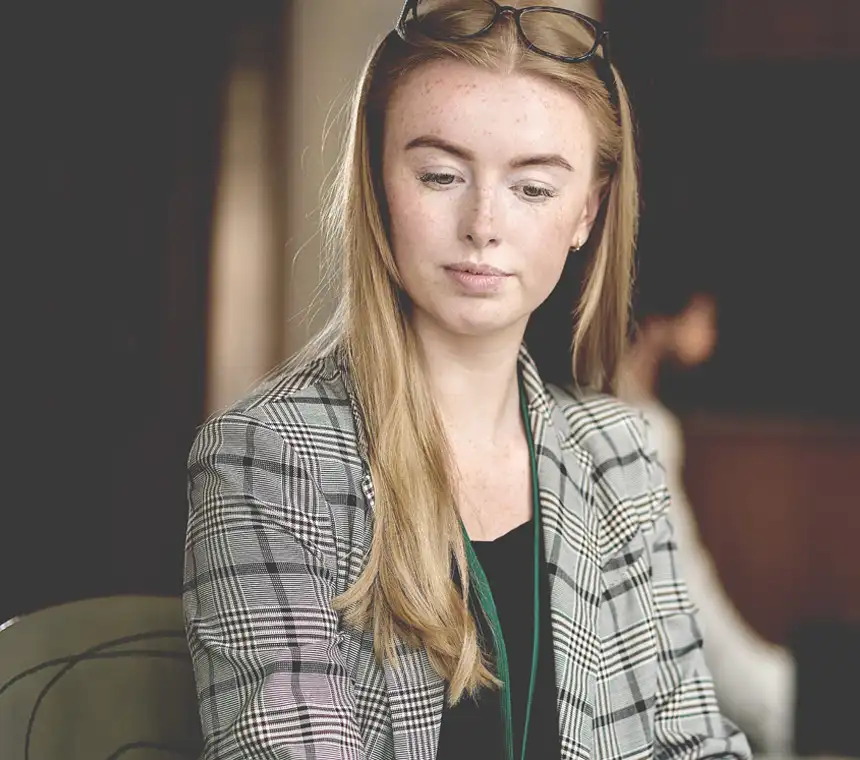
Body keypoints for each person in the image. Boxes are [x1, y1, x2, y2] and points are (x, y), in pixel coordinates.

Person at [182, 3, 750, 759]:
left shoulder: (623, 455)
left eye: (534, 189)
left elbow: (695, 744)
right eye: (442, 175)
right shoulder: (269, 459)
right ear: (379, 179)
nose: (483, 223)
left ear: (588, 209)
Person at [615, 291, 798, 755]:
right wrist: (771, 690)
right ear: (664, 317)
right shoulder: (638, 429)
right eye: (705, 314)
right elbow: (680, 582)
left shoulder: (634, 413)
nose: (711, 330)